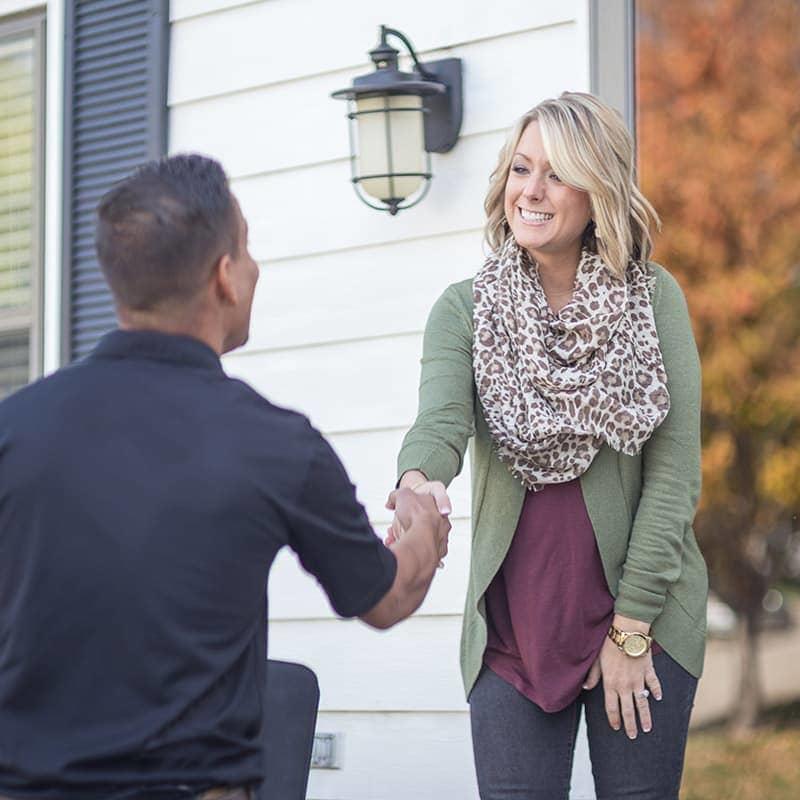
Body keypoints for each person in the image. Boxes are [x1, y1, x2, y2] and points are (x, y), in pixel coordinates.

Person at [0, 155, 450, 800]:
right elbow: (385, 599)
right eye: (247, 248)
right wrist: (424, 527)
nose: (256, 267)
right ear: (224, 276)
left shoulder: (14, 429)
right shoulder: (274, 443)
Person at [390, 92, 708, 800]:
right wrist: (418, 482)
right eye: (521, 169)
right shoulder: (466, 309)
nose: (531, 192)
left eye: (557, 174)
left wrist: (631, 629)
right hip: (517, 634)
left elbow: (675, 475)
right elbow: (439, 422)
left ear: (598, 191)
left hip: (642, 619)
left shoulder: (651, 300)